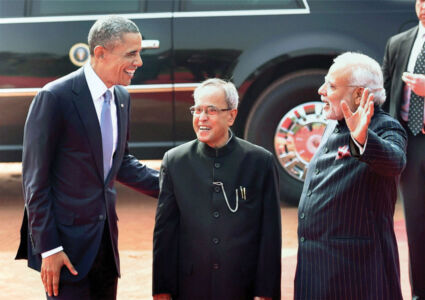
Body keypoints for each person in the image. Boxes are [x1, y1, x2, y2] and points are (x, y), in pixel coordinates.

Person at [15, 15, 159, 299]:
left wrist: (179, 183)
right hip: (65, 250)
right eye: (131, 54)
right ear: (100, 53)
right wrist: (50, 249)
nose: (139, 62)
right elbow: (35, 182)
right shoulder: (54, 97)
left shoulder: (121, 97)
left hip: (105, 245)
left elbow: (121, 163)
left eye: (139, 53)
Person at [152, 78, 282, 300]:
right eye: (197, 110)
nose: (202, 117)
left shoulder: (260, 162)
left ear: (231, 115)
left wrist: (267, 292)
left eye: (211, 111)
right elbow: (165, 232)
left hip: (241, 286)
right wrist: (161, 288)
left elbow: (270, 233)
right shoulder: (175, 161)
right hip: (190, 286)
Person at [294, 52, 407, 299]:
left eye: (332, 85)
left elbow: (395, 161)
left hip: (356, 271)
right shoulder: (334, 123)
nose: (321, 90)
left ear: (359, 95)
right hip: (314, 267)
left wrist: (362, 139)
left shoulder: (385, 126)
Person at [382, 1, 425, 298]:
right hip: (412, 142)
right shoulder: (399, 43)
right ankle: (420, 292)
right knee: (417, 226)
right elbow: (383, 95)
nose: (424, 6)